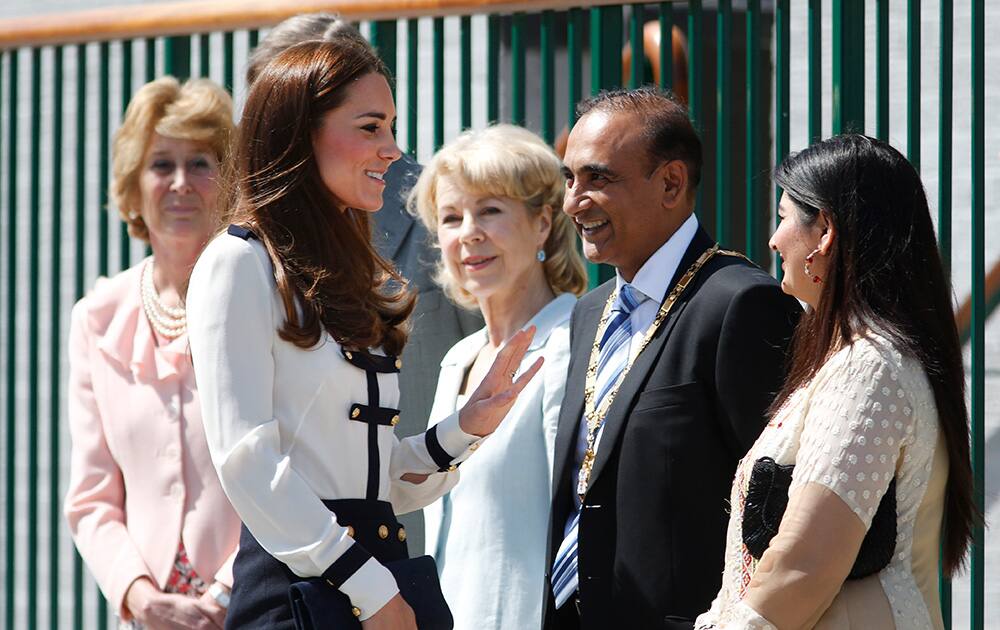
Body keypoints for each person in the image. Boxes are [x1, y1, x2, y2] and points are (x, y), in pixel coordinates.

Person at [186, 40, 542, 630]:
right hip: (302, 596)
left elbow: (367, 483)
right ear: (302, 134)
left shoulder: (344, 272)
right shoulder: (236, 263)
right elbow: (249, 465)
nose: (393, 149)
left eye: (392, 126)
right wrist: (371, 589)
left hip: (373, 578)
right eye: (371, 126)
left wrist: (463, 427)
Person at [693, 135, 976, 630]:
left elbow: (804, 565)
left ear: (824, 231)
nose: (774, 239)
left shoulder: (869, 369)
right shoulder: (857, 359)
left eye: (783, 217)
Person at [544, 87, 802, 629]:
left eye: (598, 178)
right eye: (569, 179)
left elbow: (783, 509)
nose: (572, 201)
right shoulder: (589, 313)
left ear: (670, 183)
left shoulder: (740, 304)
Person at [64, 77, 240, 629]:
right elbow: (91, 498)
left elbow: (301, 466)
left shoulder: (268, 301)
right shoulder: (96, 317)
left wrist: (227, 593)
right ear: (134, 185)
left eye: (202, 163)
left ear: (231, 179)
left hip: (256, 605)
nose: (181, 183)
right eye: (162, 165)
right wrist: (138, 596)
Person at [408, 125, 588, 630]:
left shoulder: (572, 344)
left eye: (490, 210)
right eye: (450, 217)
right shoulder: (459, 359)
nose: (468, 233)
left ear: (543, 224)